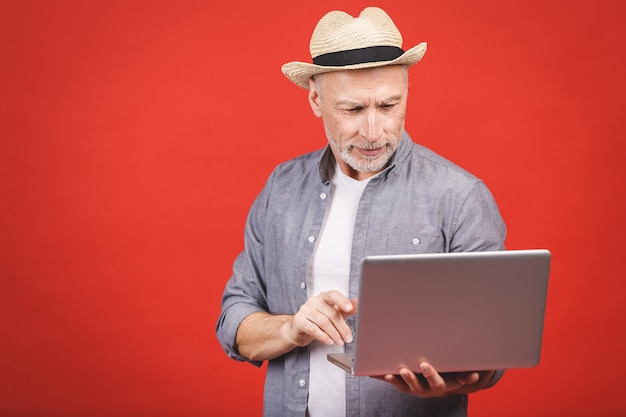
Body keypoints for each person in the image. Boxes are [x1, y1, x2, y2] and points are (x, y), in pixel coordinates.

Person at [216, 6, 506, 417]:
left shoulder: (460, 196)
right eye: (353, 110)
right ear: (316, 99)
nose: (373, 132)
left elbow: (492, 351)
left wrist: (461, 376)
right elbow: (234, 321)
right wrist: (291, 328)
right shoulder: (281, 188)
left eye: (388, 106)